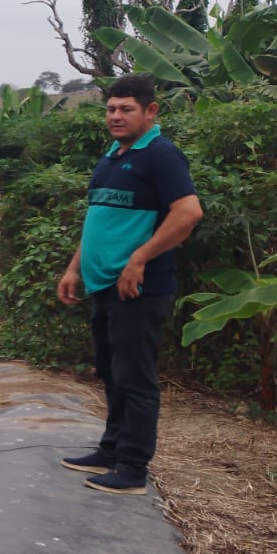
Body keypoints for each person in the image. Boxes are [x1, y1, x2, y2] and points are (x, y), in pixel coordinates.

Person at [56, 74, 204, 495]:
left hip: (139, 289)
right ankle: (112, 450)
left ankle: (133, 468)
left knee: (135, 377)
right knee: (110, 370)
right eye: (110, 109)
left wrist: (139, 258)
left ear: (150, 111)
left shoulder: (160, 155)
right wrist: (73, 268)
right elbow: (99, 221)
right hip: (103, 285)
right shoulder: (112, 156)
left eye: (126, 109)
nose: (116, 116)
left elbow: (189, 212)